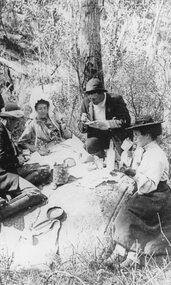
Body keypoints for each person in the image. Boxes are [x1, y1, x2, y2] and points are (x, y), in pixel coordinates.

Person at [107, 117, 171, 268]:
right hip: (148, 194)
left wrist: (133, 173)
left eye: (137, 136)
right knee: (128, 209)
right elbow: (138, 169)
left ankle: (130, 256)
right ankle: (120, 252)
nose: (135, 139)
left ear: (148, 135)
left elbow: (150, 185)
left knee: (129, 213)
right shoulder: (145, 150)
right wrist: (128, 162)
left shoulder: (156, 155)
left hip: (158, 196)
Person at [0, 107, 48, 201]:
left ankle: (13, 192)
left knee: (42, 170)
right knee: (34, 192)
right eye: (16, 121)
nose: (17, 125)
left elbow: (5, 154)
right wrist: (17, 160)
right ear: (8, 120)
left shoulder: (3, 130)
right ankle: (2, 212)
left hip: (4, 172)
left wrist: (19, 157)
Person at [79, 78, 131, 158]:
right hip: (97, 135)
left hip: (115, 133)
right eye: (90, 98)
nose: (92, 101)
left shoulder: (116, 100)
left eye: (94, 99)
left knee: (124, 155)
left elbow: (126, 120)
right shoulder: (86, 103)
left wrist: (108, 124)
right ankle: (100, 160)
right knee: (89, 145)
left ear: (102, 93)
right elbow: (81, 129)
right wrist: (83, 122)